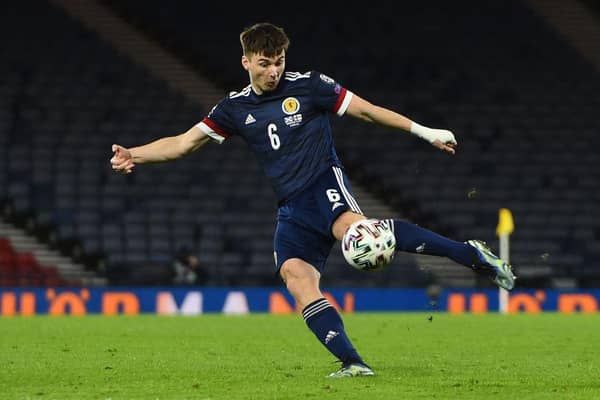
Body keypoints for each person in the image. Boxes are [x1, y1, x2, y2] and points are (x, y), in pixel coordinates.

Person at [110, 22, 515, 378]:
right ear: (246, 62)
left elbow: (369, 112)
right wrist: (135, 154)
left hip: (323, 184)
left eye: (279, 61)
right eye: (265, 63)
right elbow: (183, 143)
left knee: (358, 235)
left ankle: (470, 255)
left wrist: (426, 131)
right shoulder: (233, 109)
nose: (273, 71)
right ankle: (354, 363)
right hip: (291, 208)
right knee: (296, 278)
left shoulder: (310, 86)